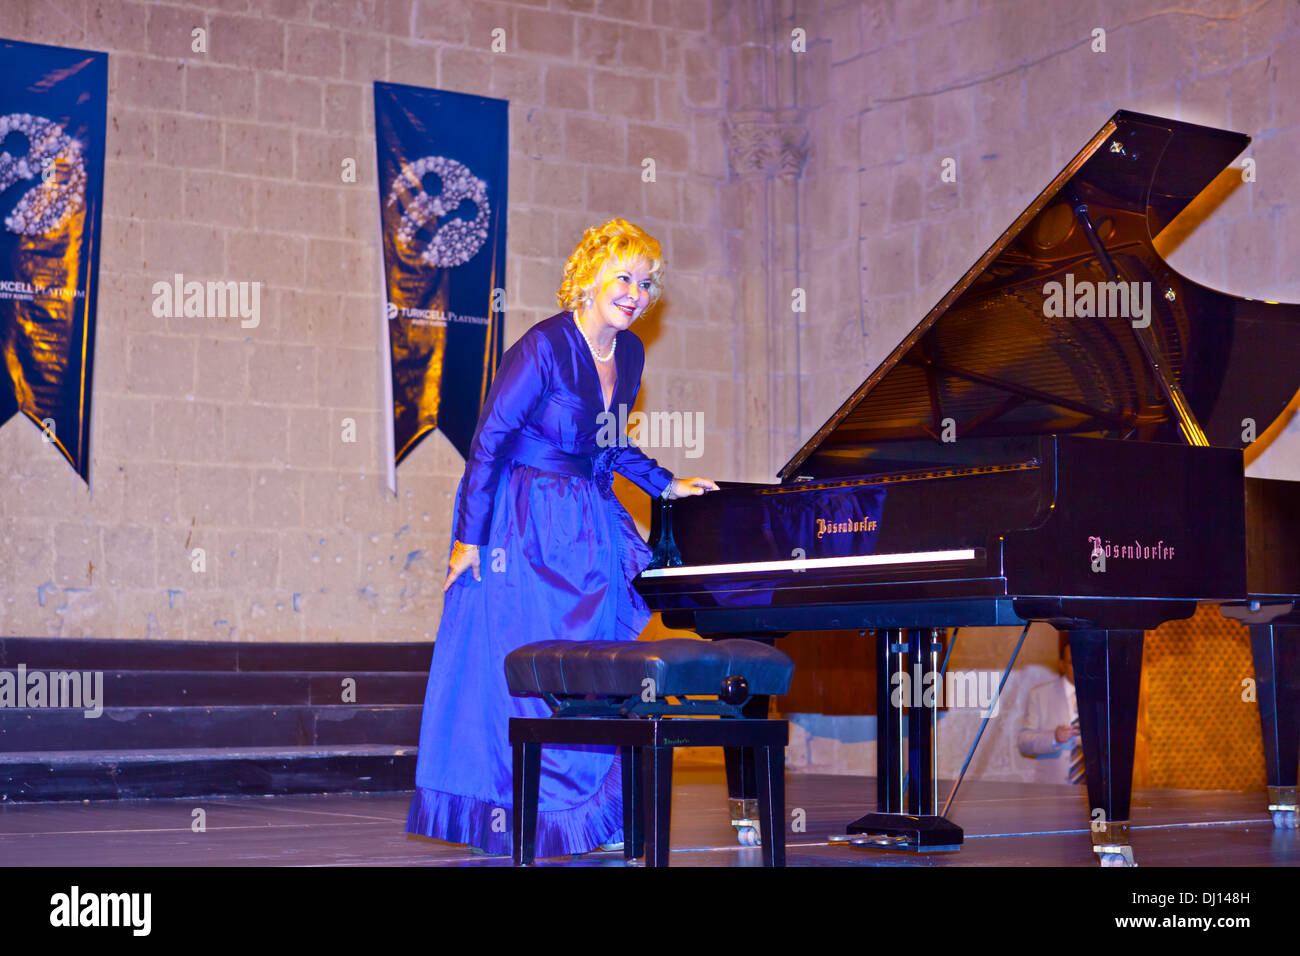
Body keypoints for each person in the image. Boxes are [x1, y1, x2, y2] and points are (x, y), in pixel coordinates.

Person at [406, 218, 719, 857]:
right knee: (533, 666)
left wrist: (664, 484)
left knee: (594, 664)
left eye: (646, 283)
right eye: (624, 277)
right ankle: (530, 815)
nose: (635, 292)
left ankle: (582, 818)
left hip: (588, 525)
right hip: (523, 526)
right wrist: (468, 540)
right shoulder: (544, 346)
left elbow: (610, 443)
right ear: (591, 275)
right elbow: (489, 443)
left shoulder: (628, 354)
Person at [1017, 634, 1082, 784]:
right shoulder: (1039, 695)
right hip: (1053, 787)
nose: (1079, 667)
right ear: (1062, 665)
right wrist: (1054, 737)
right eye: (1073, 662)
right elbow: (1024, 743)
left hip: (1093, 790)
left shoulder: (1102, 695)